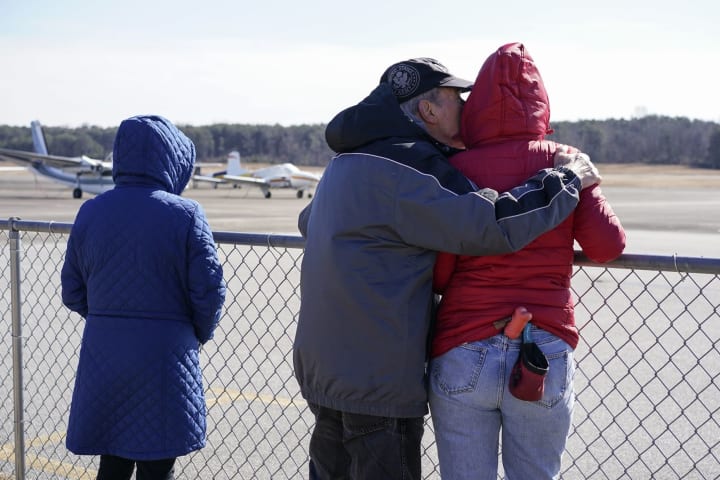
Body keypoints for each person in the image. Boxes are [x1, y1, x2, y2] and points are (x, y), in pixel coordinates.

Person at [293, 57, 603, 479]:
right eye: (459, 99)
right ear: (429, 110)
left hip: (324, 368)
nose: (468, 109)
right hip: (376, 377)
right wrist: (565, 179)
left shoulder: (346, 163)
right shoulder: (409, 168)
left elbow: (308, 222)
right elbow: (491, 224)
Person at [428, 42, 627, 480]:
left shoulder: (456, 168)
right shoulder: (565, 163)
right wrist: (586, 186)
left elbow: (440, 275)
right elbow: (606, 247)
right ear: (540, 102)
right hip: (543, 345)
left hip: (465, 342)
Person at [61, 115, 226, 480]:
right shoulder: (186, 214)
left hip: (105, 355)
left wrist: (109, 317)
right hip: (166, 355)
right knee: (158, 463)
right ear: (173, 160)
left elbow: (72, 290)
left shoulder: (91, 211)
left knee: (112, 460)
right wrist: (195, 332)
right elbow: (209, 290)